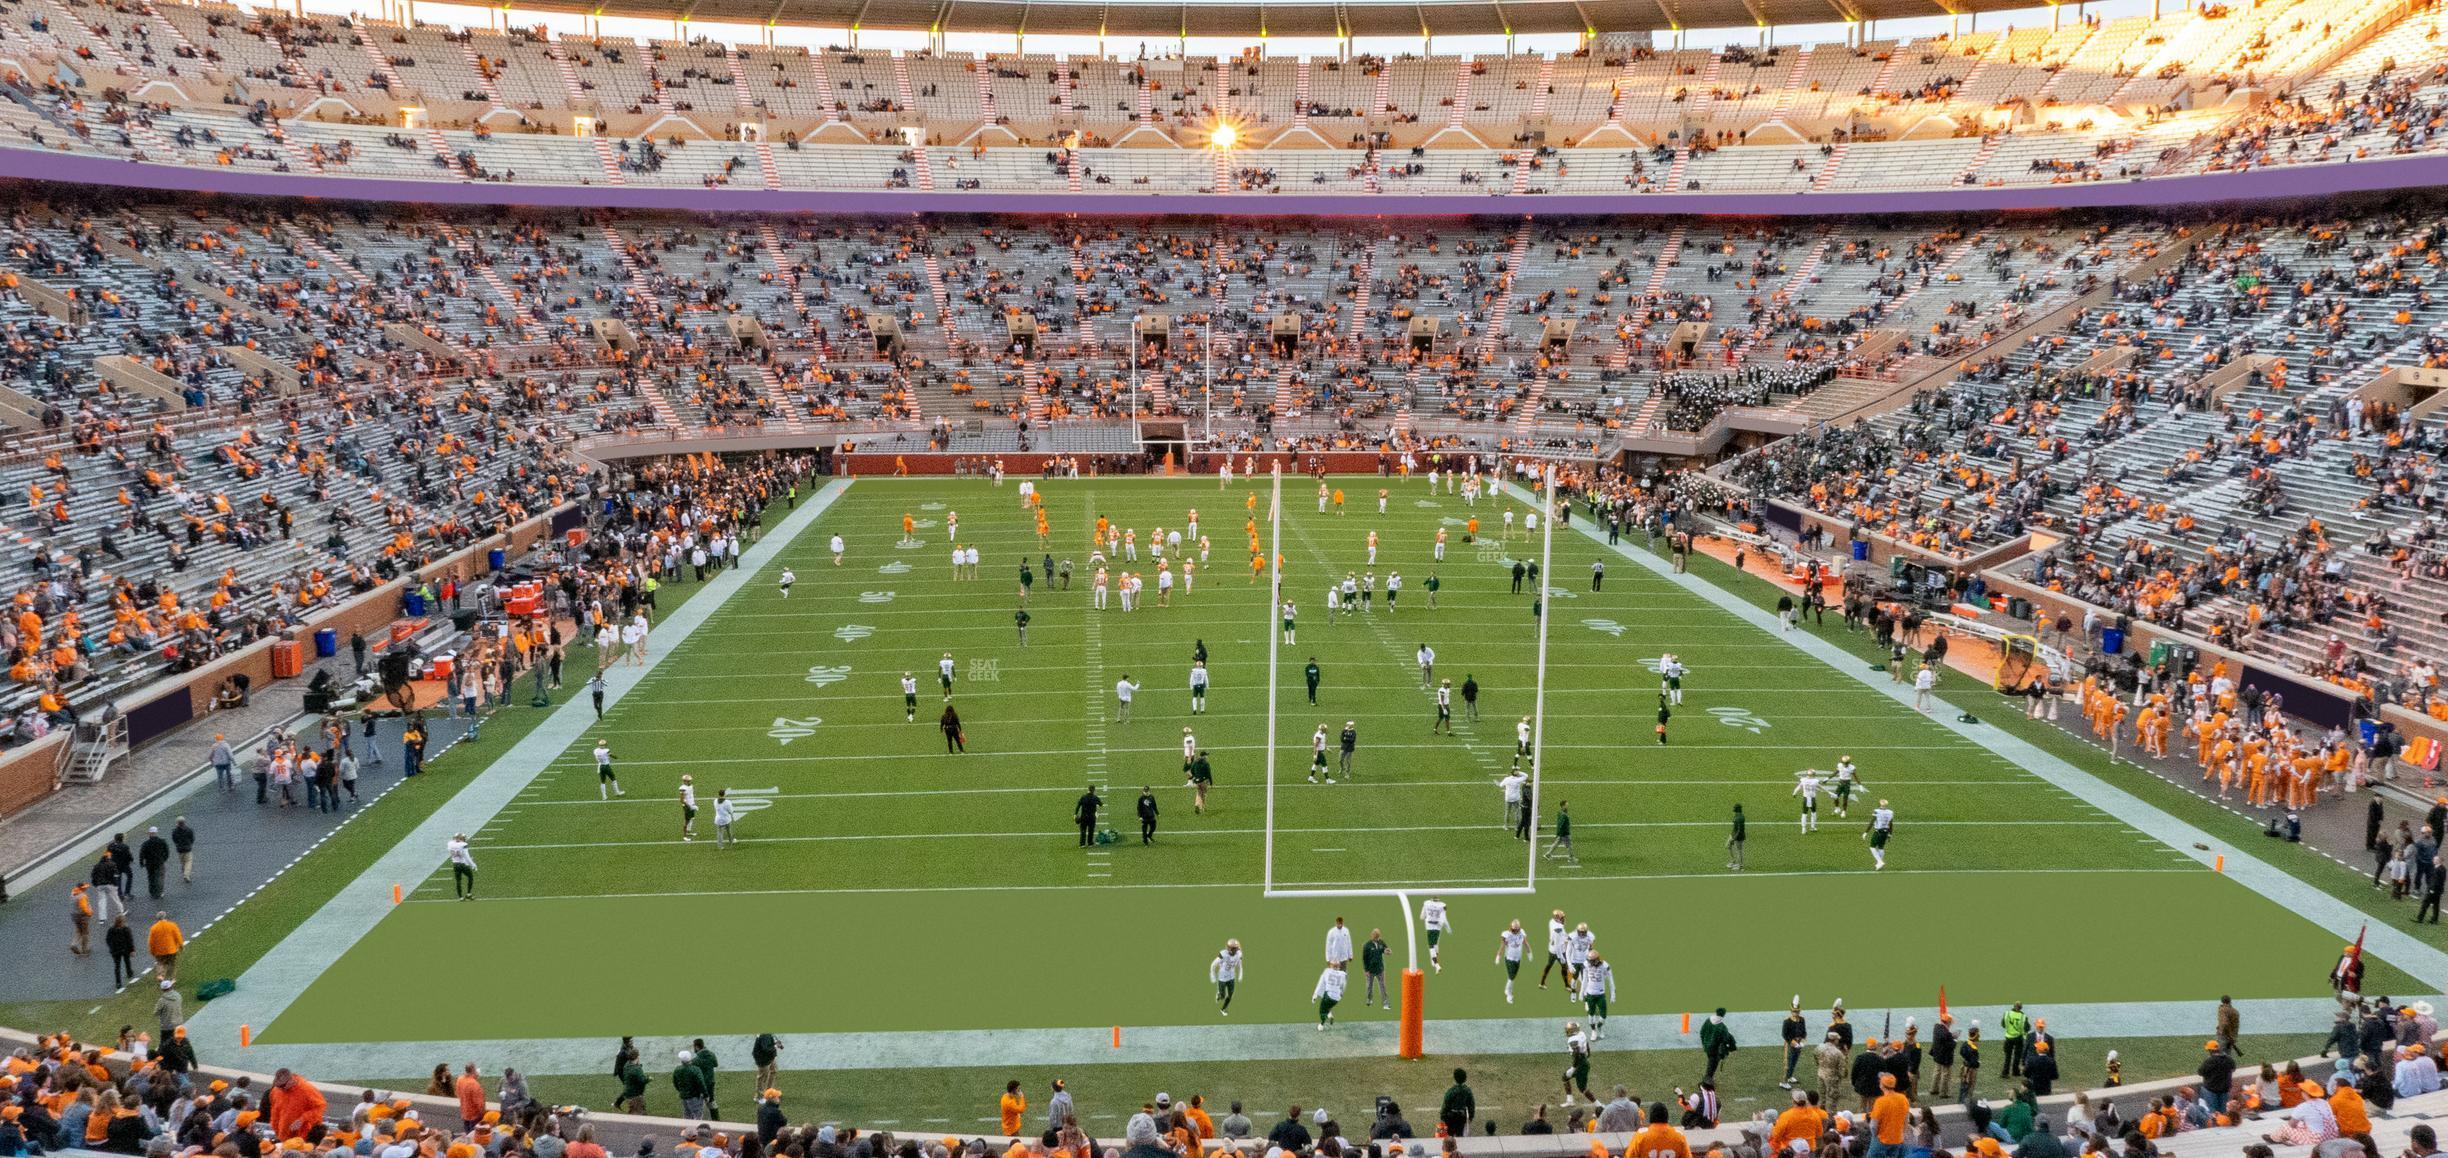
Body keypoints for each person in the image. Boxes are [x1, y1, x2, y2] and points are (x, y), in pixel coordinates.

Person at [1561, 1022, 1595, 1107]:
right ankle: (1570, 1100)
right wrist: (1588, 1052)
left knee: (1582, 1089)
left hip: (1580, 1064)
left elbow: (1576, 1053)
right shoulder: (1581, 1034)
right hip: (1582, 1061)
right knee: (1565, 1077)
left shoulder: (1573, 1039)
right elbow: (1586, 1044)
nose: (1567, 1031)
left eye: (1568, 1030)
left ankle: (1599, 1105)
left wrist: (1573, 1067)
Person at [1700, 1007, 1737, 1082]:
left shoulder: (1708, 1020)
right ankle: (1708, 1080)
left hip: (1707, 1047)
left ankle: (1708, 1078)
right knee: (1713, 1064)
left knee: (1711, 1062)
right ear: (1723, 1015)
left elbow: (1702, 1032)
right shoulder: (1722, 1027)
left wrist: (1704, 1043)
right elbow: (1725, 1039)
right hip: (1715, 1050)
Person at [1439, 1069, 1477, 1139]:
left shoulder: (1451, 1091)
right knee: (1460, 1134)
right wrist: (1471, 1116)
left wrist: (1442, 1116)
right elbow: (1471, 1105)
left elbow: (1446, 1104)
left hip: (1450, 1117)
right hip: (1461, 1117)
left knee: (1450, 1135)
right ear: (1465, 1079)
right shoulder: (1467, 1091)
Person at [1497, 920, 1528, 1003]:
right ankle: (1508, 993)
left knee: (1513, 977)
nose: (1515, 931)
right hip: (1509, 958)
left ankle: (1507, 990)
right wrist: (1498, 956)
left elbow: (1525, 943)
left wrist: (1529, 952)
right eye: (1514, 929)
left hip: (1518, 958)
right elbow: (1502, 946)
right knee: (1511, 977)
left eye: (1516, 929)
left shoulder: (1522, 933)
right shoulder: (1506, 934)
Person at [147, 911, 183, 981]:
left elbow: (151, 941)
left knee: (160, 963)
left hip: (159, 950)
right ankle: (171, 978)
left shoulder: (154, 928)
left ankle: (161, 975)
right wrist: (181, 945)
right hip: (171, 949)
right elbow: (178, 936)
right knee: (171, 964)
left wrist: (152, 951)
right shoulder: (172, 925)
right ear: (165, 916)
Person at [1210, 940, 1243, 1016]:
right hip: (1222, 977)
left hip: (1232, 977)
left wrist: (1240, 974)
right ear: (1230, 949)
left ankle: (1223, 1009)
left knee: (1231, 995)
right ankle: (1219, 994)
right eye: (1235, 948)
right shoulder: (1223, 954)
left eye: (1237, 948)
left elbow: (1240, 966)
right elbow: (1213, 965)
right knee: (1223, 996)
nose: (1237, 950)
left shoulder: (1239, 954)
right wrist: (1212, 976)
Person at [104, 914, 137, 986]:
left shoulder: (111, 930)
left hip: (115, 951)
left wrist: (111, 947)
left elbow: (108, 939)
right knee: (127, 961)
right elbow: (130, 940)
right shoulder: (126, 929)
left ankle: (118, 982)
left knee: (117, 966)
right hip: (125, 949)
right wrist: (132, 950)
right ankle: (129, 972)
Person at [1311, 962, 1346, 1030]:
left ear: (1331, 966)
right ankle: (1330, 1015)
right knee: (1328, 1006)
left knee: (1322, 1010)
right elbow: (1343, 986)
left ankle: (1322, 1024)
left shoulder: (1327, 971)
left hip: (1328, 996)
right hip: (1337, 998)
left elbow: (1320, 983)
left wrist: (1315, 995)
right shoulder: (1343, 974)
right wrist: (1341, 994)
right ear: (1339, 967)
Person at [137, 827, 170, 898]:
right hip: (159, 862)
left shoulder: (146, 843)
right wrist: (164, 859)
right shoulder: (162, 841)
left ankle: (152, 892)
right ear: (156, 833)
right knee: (160, 877)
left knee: (151, 877)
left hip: (149, 863)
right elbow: (167, 852)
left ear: (149, 833)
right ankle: (160, 892)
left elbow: (141, 854)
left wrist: (141, 863)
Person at [1361, 927, 1389, 1006]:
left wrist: (1387, 951)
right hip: (1370, 970)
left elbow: (1386, 949)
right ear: (1372, 935)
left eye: (1378, 936)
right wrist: (1366, 970)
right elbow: (1364, 958)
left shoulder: (1381, 942)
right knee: (1369, 986)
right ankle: (1369, 999)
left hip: (1380, 969)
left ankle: (1385, 1002)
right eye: (1375, 936)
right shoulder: (1367, 945)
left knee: (1382, 986)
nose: (1376, 938)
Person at [1865, 799, 1895, 870]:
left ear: (1880, 804)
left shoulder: (1877, 811)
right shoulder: (1890, 812)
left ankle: (1880, 861)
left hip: (1878, 832)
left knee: (1872, 847)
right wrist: (1890, 834)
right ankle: (1879, 864)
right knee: (1881, 847)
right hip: (1886, 832)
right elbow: (1891, 824)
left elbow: (1872, 822)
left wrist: (1866, 832)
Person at [447, 833, 476, 900]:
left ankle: (460, 897)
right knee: (470, 877)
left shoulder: (450, 843)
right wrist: (473, 864)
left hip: (455, 864)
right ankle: (468, 894)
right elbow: (466, 856)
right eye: (463, 837)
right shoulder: (463, 844)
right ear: (460, 838)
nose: (464, 839)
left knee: (458, 881)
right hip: (462, 864)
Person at [1727, 804, 1747, 870]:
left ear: (1737, 809)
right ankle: (1733, 861)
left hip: (1739, 837)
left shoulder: (1740, 818)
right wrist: (1731, 835)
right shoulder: (1736, 815)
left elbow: (1740, 830)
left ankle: (1740, 865)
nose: (1733, 808)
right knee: (1728, 846)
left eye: (1734, 807)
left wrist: (1734, 838)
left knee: (1739, 850)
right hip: (1733, 834)